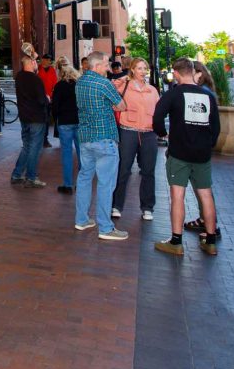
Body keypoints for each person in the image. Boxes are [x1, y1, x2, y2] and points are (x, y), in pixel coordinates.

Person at [152, 57, 220, 257]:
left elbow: (157, 118)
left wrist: (163, 135)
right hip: (202, 153)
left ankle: (176, 241)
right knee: (206, 194)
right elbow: (215, 127)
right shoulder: (208, 95)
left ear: (176, 73)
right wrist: (207, 144)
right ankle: (211, 239)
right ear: (192, 71)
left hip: (179, 152)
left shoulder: (173, 94)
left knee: (177, 195)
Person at [73, 51, 128, 240]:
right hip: (104, 138)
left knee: (84, 178)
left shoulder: (79, 82)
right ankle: (105, 228)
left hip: (85, 138)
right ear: (97, 66)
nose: (108, 67)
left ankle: (81, 219)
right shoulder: (104, 83)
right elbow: (122, 106)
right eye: (106, 64)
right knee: (106, 183)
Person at [110, 57, 160, 221]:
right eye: (139, 68)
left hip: (148, 133)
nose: (143, 71)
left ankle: (147, 207)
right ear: (132, 70)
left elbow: (158, 111)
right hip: (128, 132)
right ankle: (117, 205)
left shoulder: (152, 90)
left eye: (144, 68)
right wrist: (124, 77)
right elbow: (110, 87)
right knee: (123, 169)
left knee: (148, 171)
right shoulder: (124, 85)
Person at [183, 61, 221, 240]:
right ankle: (206, 220)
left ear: (198, 73)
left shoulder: (202, 93)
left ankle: (210, 225)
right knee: (202, 188)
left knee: (202, 189)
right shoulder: (207, 91)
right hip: (201, 147)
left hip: (196, 148)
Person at [10, 52, 48, 188]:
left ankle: (17, 174)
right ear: (32, 63)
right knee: (35, 149)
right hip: (36, 118)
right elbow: (41, 99)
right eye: (35, 62)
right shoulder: (35, 80)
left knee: (26, 146)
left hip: (24, 117)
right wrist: (47, 99)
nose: (37, 64)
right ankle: (31, 177)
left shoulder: (19, 77)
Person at [51, 57, 80, 194]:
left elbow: (55, 107)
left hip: (64, 122)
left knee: (67, 154)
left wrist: (55, 117)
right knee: (82, 154)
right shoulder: (79, 85)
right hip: (79, 121)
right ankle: (82, 183)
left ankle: (67, 185)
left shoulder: (59, 86)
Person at [38, 53, 57, 148]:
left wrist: (52, 97)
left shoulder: (52, 70)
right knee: (38, 120)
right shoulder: (37, 69)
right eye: (48, 60)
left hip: (48, 100)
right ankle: (37, 139)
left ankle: (45, 140)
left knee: (46, 120)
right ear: (43, 60)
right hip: (38, 99)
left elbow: (55, 84)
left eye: (50, 60)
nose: (50, 62)